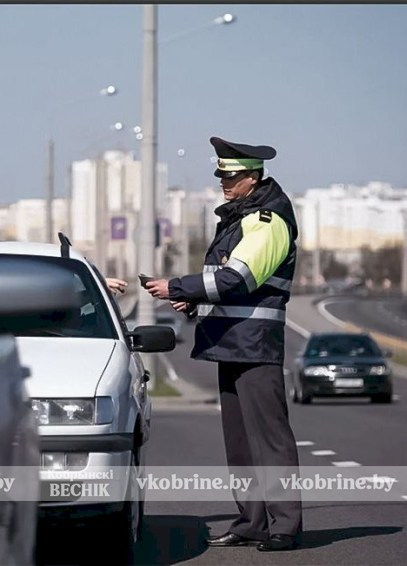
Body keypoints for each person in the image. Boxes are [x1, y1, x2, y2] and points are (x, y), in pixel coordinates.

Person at [145, 136, 303, 552]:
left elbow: (239, 278)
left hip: (255, 346)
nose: (223, 182)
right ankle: (251, 522)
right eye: (220, 175)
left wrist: (177, 285)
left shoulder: (268, 221)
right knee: (241, 445)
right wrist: (191, 299)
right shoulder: (240, 217)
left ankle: (283, 525)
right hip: (231, 344)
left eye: (230, 176)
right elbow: (225, 286)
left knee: (269, 440)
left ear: (252, 177)